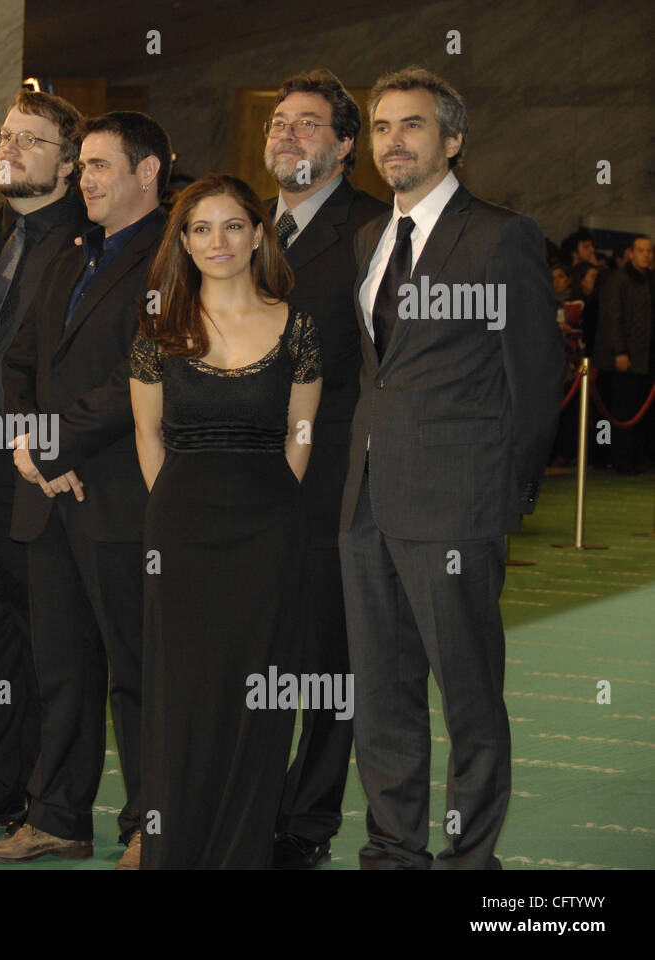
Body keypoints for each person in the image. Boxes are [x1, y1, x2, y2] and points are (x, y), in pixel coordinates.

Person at [340, 67, 563, 869]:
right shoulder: (370, 238)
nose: (392, 141)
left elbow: (535, 380)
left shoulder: (502, 235)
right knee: (382, 694)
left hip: (457, 506)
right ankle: (393, 849)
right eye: (380, 128)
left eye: (412, 125)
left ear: (453, 139)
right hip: (366, 502)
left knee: (467, 696)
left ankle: (470, 861)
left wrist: (502, 498)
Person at [0, 111, 171, 869]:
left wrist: (54, 443)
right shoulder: (71, 252)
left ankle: (149, 825)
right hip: (47, 492)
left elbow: (147, 372)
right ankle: (57, 815)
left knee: (138, 672)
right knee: (61, 671)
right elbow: (19, 361)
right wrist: (29, 443)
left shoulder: (171, 257)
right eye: (81, 165)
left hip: (121, 493)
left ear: (147, 172)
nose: (84, 179)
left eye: (100, 165)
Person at [129, 173, 320, 868]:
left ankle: (242, 852)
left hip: (271, 530)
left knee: (259, 695)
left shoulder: (297, 325)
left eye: (234, 226)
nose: (219, 241)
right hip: (179, 532)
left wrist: (274, 504)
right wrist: (173, 514)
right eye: (202, 229)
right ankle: (174, 849)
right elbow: (150, 438)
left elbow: (301, 431)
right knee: (182, 694)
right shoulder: (158, 329)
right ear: (182, 242)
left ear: (258, 234)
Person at [0, 88, 89, 833]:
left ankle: (51, 797)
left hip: (38, 467)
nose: (12, 147)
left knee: (49, 645)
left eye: (33, 140)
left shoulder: (87, 240)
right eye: (7, 134)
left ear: (70, 164)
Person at [261, 68, 389, 869]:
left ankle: (304, 824)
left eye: (308, 124)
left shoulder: (375, 229)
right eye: (278, 121)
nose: (287, 133)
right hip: (235, 474)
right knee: (252, 653)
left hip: (331, 479)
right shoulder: (237, 225)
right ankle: (245, 802)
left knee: (321, 661)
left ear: (345, 146)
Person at [593, 235, 653, 474]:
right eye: (641, 250)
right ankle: (614, 458)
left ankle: (636, 457)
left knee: (638, 410)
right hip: (621, 358)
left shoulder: (649, 280)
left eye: (649, 251)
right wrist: (620, 351)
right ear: (631, 253)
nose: (646, 255)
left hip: (644, 357)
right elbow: (612, 318)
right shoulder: (617, 279)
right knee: (618, 410)